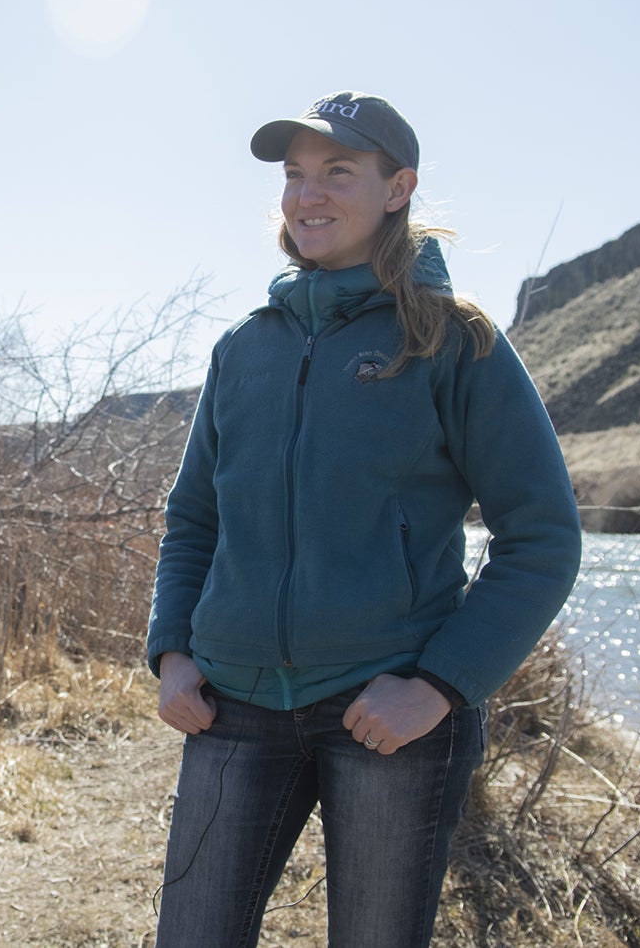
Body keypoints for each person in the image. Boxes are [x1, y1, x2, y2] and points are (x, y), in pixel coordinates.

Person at [147, 90, 582, 948]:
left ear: (398, 187)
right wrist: (172, 649)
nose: (308, 192)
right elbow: (194, 516)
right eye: (296, 173)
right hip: (232, 705)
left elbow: (542, 538)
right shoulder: (246, 347)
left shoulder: (455, 342)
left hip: (387, 717)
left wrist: (440, 685)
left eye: (338, 171)